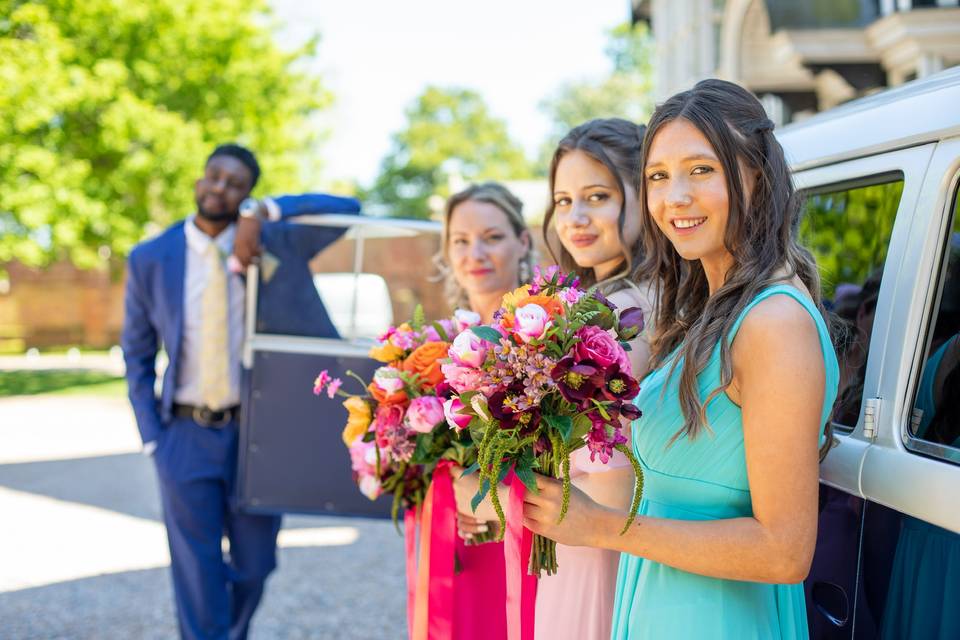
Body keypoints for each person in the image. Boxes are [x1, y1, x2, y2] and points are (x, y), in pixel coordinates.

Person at [522, 79, 840, 639]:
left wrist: (603, 527)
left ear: (757, 177)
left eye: (701, 170)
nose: (675, 199)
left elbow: (785, 551)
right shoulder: (708, 312)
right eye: (658, 177)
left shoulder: (773, 324)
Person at [121, 143, 359, 640]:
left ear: (246, 195)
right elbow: (137, 354)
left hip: (259, 434)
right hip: (183, 433)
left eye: (236, 185)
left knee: (256, 563)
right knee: (196, 567)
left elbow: (348, 210)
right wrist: (152, 436)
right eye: (214, 176)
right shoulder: (151, 258)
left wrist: (265, 212)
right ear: (198, 180)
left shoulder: (276, 242)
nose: (220, 188)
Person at [533, 118, 653, 640]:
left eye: (597, 196)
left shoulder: (630, 311)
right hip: (581, 538)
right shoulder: (596, 304)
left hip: (601, 545)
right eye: (563, 201)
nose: (575, 218)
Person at [437, 182, 534, 639]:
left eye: (492, 237)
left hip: (530, 534)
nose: (474, 252)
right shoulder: (437, 341)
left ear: (523, 242)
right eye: (460, 240)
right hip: (460, 534)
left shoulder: (543, 339)